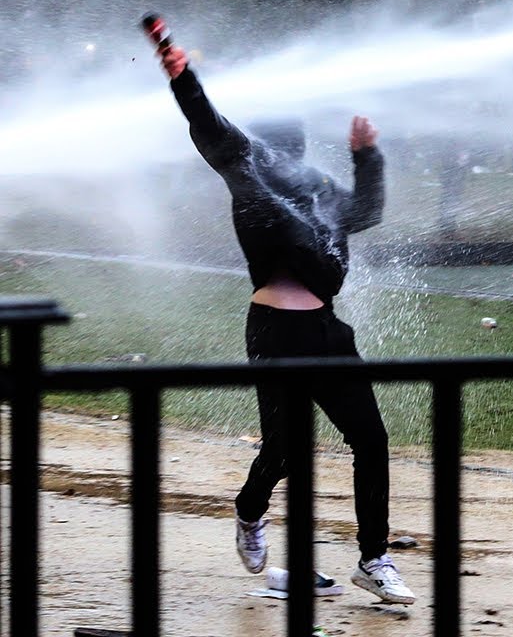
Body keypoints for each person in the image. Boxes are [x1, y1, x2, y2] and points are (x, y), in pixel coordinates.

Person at [154, 39, 415, 604]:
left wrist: (368, 157)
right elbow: (210, 128)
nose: (286, 152)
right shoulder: (248, 177)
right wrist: (183, 80)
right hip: (276, 330)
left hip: (327, 330)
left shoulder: (315, 187)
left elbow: (365, 212)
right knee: (287, 449)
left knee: (371, 440)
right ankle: (250, 511)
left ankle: (374, 559)